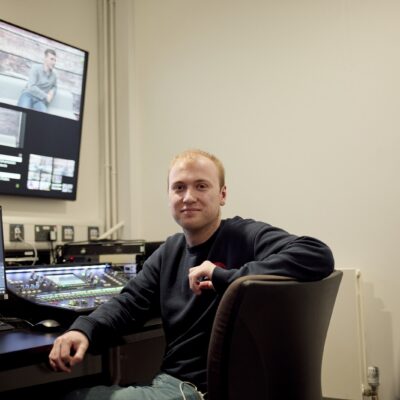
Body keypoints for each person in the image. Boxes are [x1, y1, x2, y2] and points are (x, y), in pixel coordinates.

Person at [49, 149, 334, 400]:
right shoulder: (168, 252)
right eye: (179, 187)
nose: (188, 197)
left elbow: (316, 253)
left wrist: (225, 276)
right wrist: (82, 328)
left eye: (201, 186)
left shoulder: (244, 235)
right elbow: (128, 303)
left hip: (194, 390)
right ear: (169, 196)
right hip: (183, 386)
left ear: (222, 194)